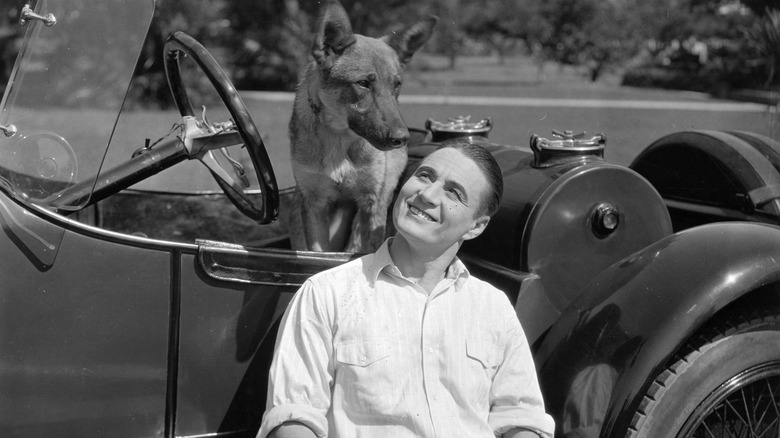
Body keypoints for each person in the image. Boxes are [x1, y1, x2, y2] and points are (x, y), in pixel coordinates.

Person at [258, 140, 555, 438]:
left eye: (453, 192)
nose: (426, 194)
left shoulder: (494, 307)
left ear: (475, 226)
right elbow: (293, 418)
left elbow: (521, 418)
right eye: (424, 175)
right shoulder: (326, 294)